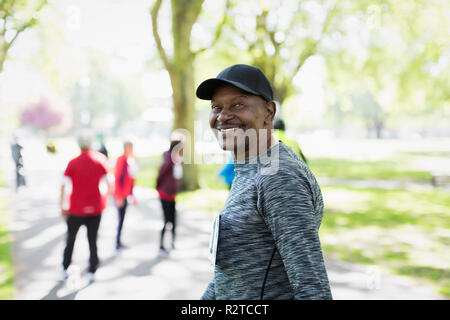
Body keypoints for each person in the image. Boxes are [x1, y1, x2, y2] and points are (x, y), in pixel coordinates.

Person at [196, 64, 332, 299]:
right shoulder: (250, 168)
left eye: (238, 104)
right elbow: (232, 275)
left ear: (269, 112)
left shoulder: (278, 176)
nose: (223, 116)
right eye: (216, 107)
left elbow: (312, 287)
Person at [60, 132, 110, 282]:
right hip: (95, 208)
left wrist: (62, 204)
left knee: (71, 239)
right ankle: (93, 267)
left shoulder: (73, 162)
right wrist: (104, 200)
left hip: (76, 209)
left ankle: (65, 266)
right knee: (92, 239)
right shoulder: (100, 160)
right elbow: (109, 183)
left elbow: (63, 185)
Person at [155, 139, 183, 255]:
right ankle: (161, 245)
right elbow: (161, 174)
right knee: (167, 220)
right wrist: (158, 187)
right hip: (165, 194)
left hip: (172, 194)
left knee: (173, 220)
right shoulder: (169, 160)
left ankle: (172, 243)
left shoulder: (175, 159)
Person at [113, 140, 138, 250]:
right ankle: (117, 242)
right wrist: (119, 196)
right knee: (120, 219)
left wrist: (132, 195)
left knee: (122, 219)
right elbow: (118, 178)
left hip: (126, 194)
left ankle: (119, 241)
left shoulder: (131, 160)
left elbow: (131, 180)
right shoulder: (121, 160)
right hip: (120, 196)